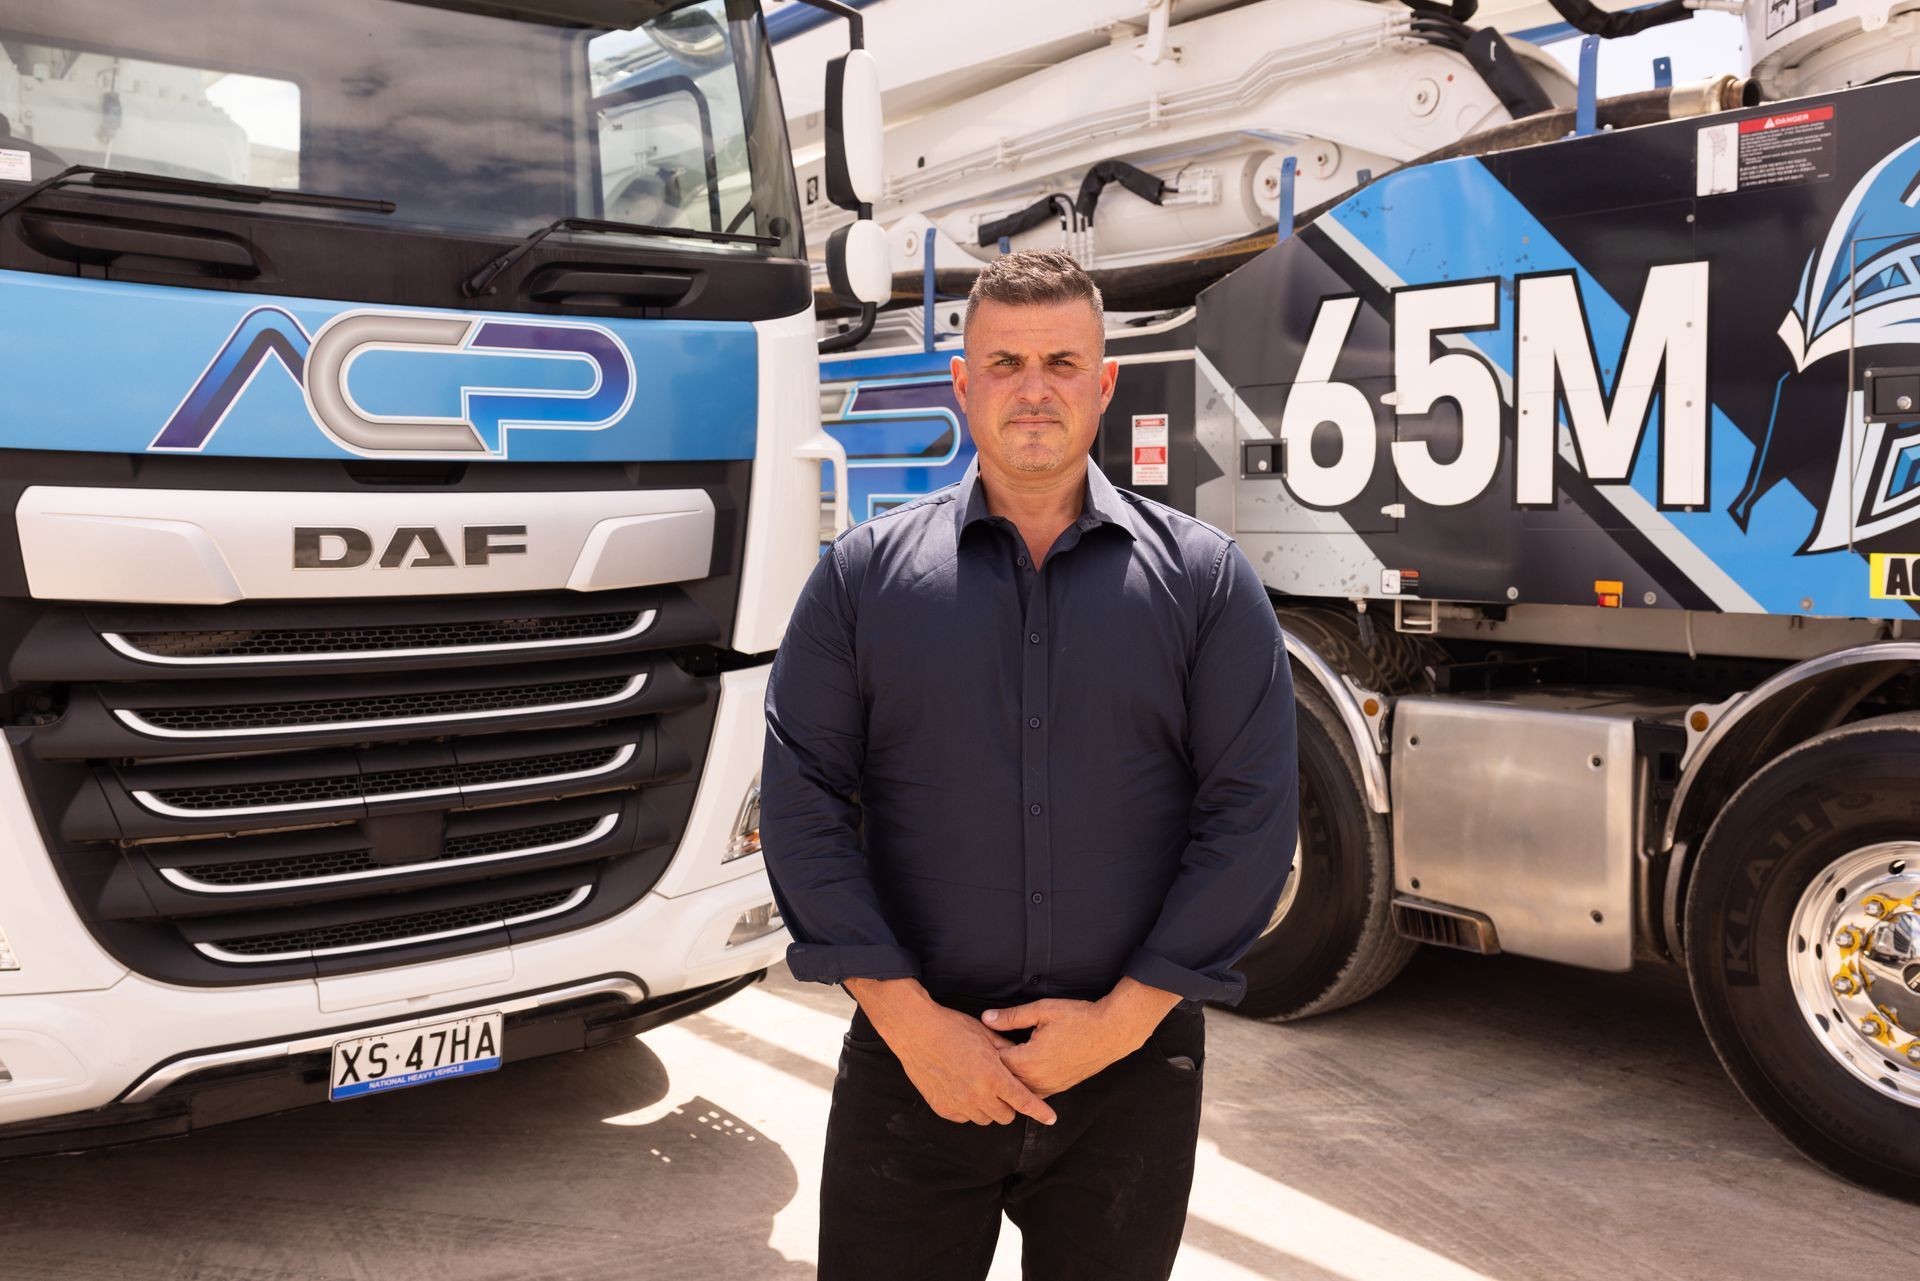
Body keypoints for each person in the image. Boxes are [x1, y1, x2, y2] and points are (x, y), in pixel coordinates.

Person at [761, 249, 1296, 1281]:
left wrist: (1119, 1023)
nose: (1034, 388)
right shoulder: (862, 580)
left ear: (1106, 383)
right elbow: (801, 802)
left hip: (1129, 1073)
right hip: (914, 1063)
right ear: (963, 384)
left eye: (1062, 361)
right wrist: (914, 1026)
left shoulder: (1205, 582)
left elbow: (1251, 813)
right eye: (1006, 363)